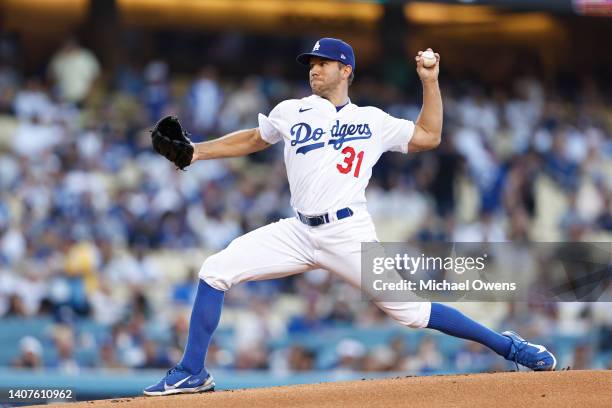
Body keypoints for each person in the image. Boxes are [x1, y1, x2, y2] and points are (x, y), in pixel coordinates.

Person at [144, 38, 556, 396]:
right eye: (311, 64)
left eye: (322, 64)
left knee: (411, 314)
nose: (314, 70)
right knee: (215, 270)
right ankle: (192, 372)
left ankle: (509, 347)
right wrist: (197, 151)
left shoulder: (371, 120)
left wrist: (429, 82)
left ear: (346, 70)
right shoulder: (292, 110)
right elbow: (254, 138)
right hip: (298, 230)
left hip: (348, 233)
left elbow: (429, 136)